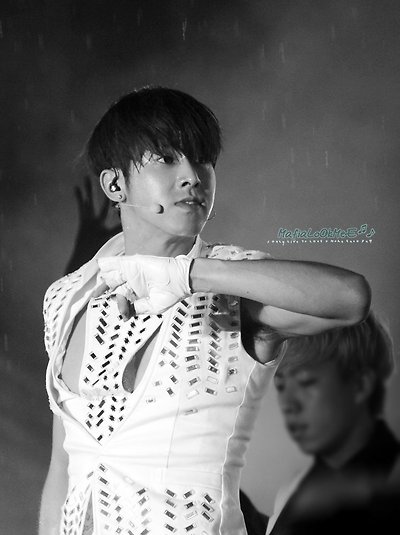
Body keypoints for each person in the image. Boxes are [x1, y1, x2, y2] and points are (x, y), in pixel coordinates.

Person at [39, 86, 370, 535]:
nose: (192, 176)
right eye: (166, 158)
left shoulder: (234, 281)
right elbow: (63, 466)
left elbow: (350, 298)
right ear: (115, 184)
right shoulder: (66, 298)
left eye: (202, 160)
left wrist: (189, 274)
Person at [267, 311, 400, 535]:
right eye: (280, 386)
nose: (288, 404)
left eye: (306, 382)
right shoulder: (296, 488)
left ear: (359, 385)